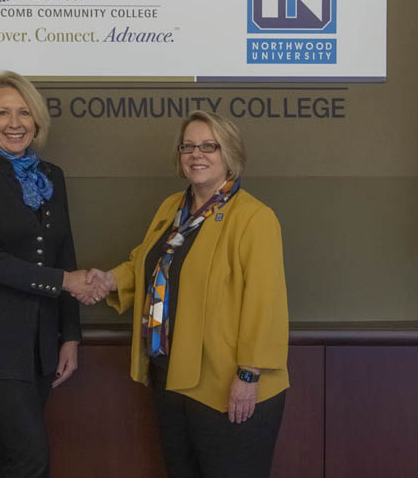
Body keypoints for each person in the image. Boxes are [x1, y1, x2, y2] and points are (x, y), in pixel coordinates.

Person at [88, 111, 289, 478]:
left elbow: (266, 304)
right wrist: (107, 279)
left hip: (227, 385)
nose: (197, 154)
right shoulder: (171, 208)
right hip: (171, 375)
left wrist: (247, 377)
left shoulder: (255, 218)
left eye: (209, 146)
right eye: (189, 146)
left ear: (230, 153)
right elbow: (144, 265)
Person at [0, 71, 98, 478]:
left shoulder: (53, 177)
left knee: (10, 455)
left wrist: (70, 336)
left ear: (37, 121)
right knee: (32, 457)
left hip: (43, 339)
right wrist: (66, 282)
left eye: (24, 112)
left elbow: (64, 253)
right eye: (4, 113)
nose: (15, 123)